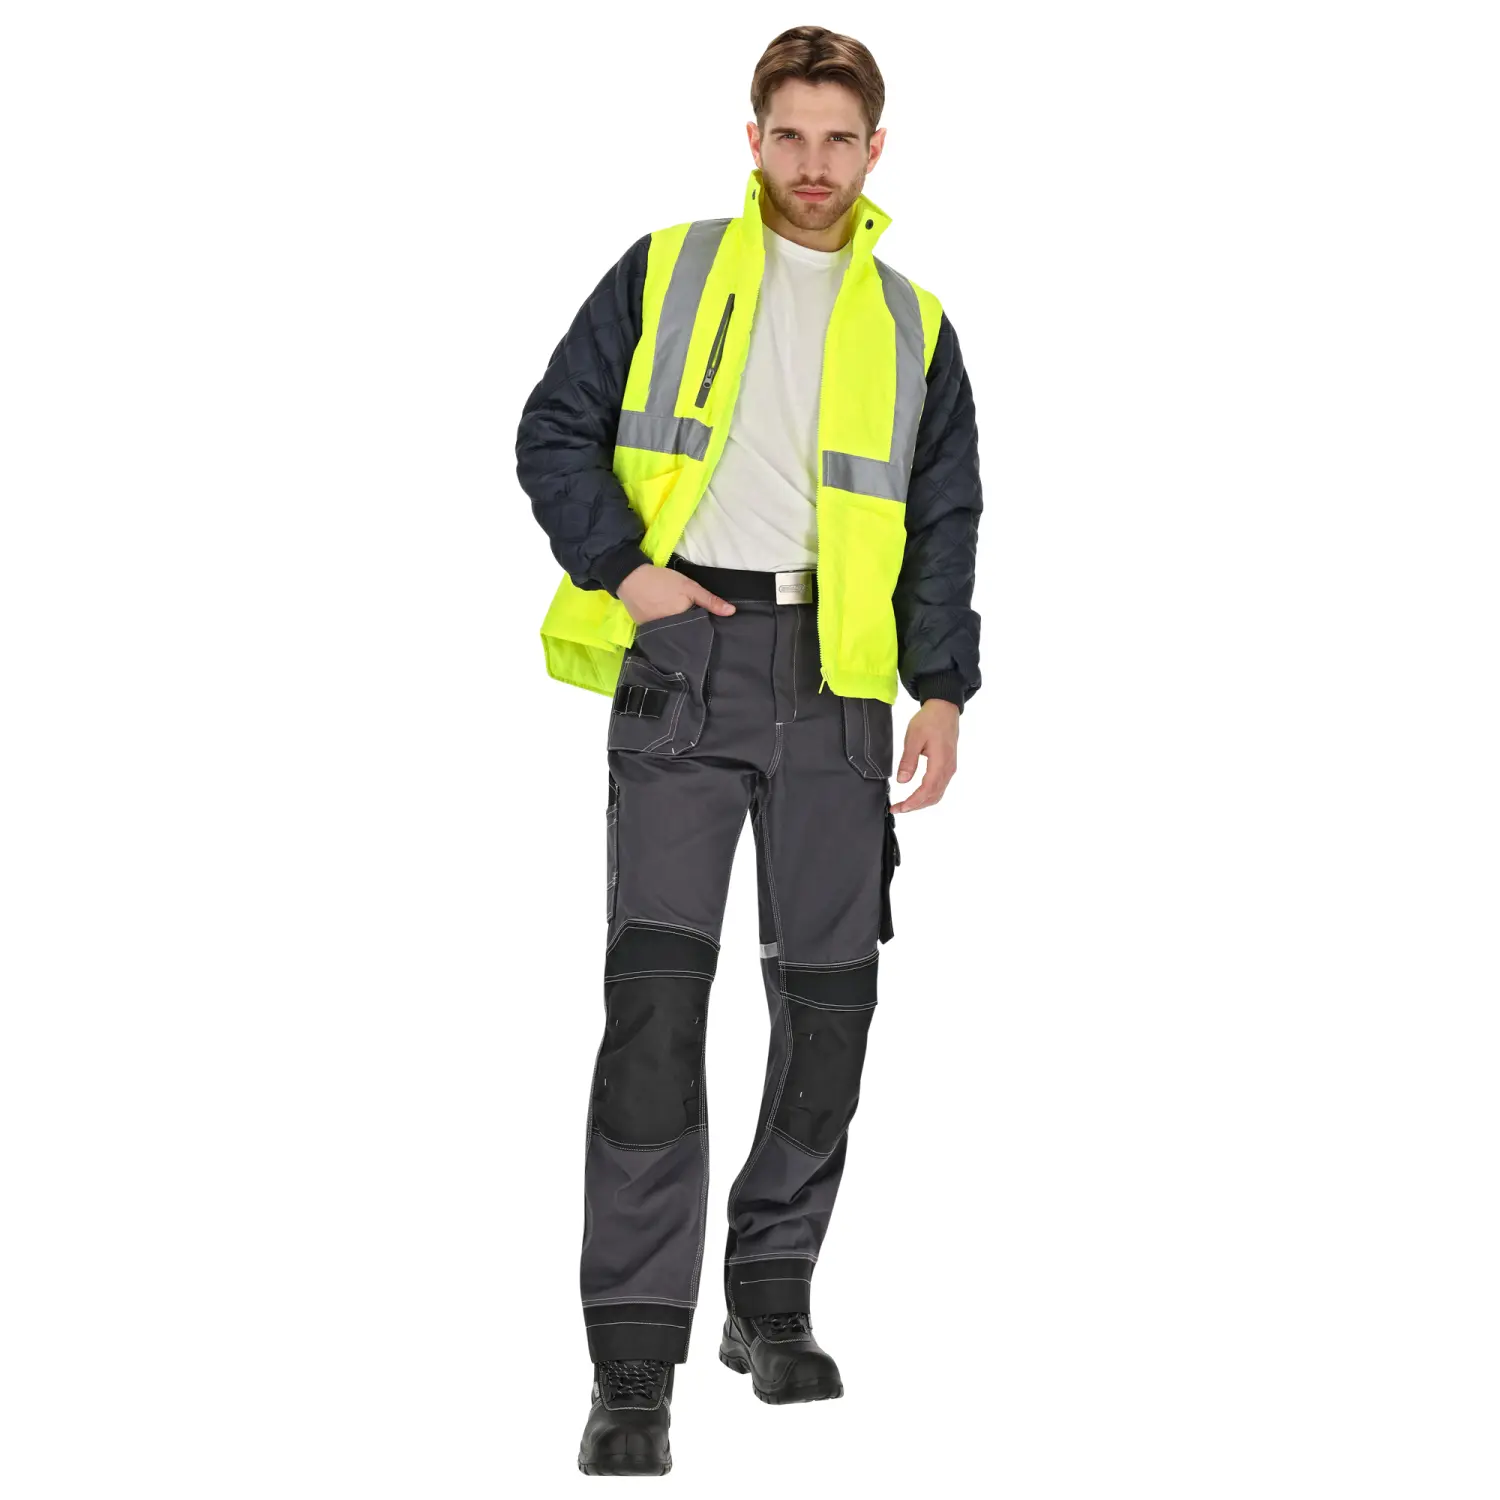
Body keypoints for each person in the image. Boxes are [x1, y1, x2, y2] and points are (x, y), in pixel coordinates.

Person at [515, 25, 983, 1477]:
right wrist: (628, 574)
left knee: (832, 1008)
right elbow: (553, 431)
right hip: (686, 662)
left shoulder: (915, 326)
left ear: (877, 150)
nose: (814, 166)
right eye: (790, 136)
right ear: (753, 138)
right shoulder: (664, 270)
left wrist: (942, 690)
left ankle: (770, 1295)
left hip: (838, 684)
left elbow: (944, 519)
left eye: (840, 140)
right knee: (655, 1014)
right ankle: (633, 1362)